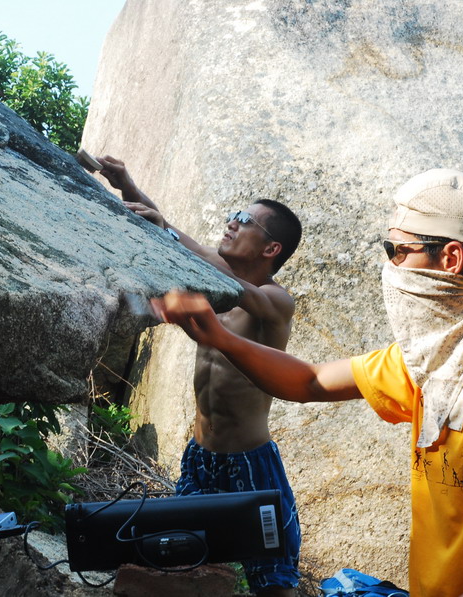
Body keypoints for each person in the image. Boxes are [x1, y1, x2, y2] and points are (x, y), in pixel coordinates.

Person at [151, 168, 463, 597]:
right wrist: (220, 338)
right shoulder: (426, 361)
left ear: (451, 260)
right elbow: (311, 382)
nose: (390, 266)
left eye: (397, 251)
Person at [98, 156, 304, 596]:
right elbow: (171, 232)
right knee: (179, 565)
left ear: (271, 249)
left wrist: (170, 234)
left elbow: (239, 287)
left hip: (249, 463)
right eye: (233, 215)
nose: (231, 223)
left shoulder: (274, 303)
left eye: (244, 220)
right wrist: (126, 183)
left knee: (274, 581)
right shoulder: (217, 279)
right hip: (200, 458)